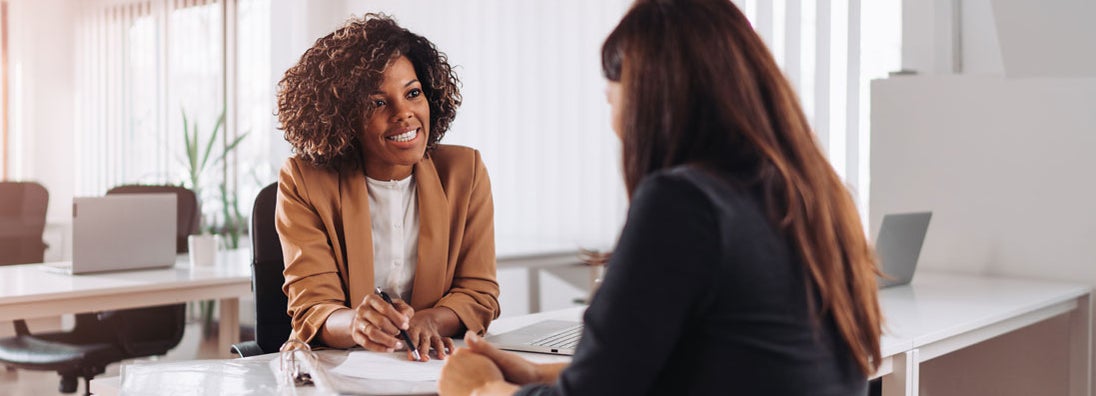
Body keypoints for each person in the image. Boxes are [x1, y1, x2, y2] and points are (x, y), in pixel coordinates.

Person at [439, 0, 883, 393]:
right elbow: (716, 367)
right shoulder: (813, 196)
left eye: (611, 97)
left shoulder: (684, 205)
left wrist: (480, 389)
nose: (613, 119)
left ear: (649, 97)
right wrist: (538, 376)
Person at [275, 13, 499, 361]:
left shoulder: (464, 172)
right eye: (378, 102)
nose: (404, 113)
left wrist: (430, 321)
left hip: (429, 366)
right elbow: (313, 307)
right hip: (337, 369)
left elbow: (479, 292)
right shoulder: (304, 180)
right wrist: (356, 324)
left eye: (413, 93)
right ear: (344, 116)